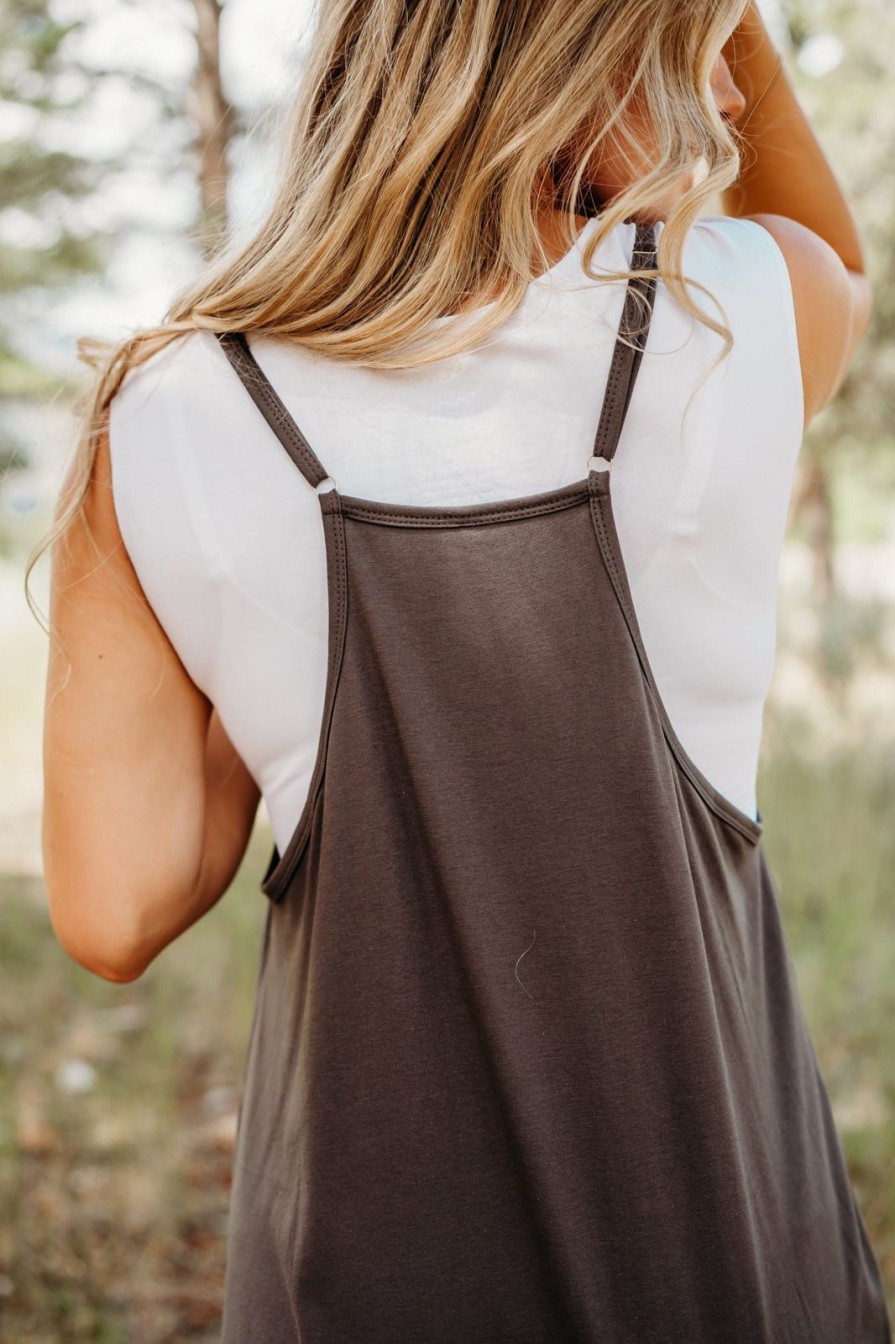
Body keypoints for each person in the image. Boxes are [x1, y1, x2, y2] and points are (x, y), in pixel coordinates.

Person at [34, 0, 891, 1339]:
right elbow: (840, 258)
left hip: (363, 1283)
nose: (726, 104)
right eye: (700, 47)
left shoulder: (172, 411)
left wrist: (262, 648)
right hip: (717, 1244)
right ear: (583, 53)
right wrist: (759, 42)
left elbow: (119, 907)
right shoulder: (729, 312)